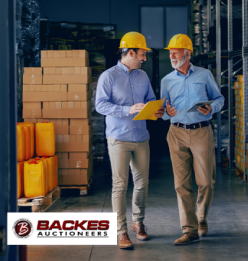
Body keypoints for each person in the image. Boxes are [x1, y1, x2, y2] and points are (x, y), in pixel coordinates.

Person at [96, 32, 165, 249]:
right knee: (120, 185)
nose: (144, 58)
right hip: (119, 137)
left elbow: (151, 101)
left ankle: (138, 223)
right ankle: (121, 231)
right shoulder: (108, 76)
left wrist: (157, 111)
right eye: (142, 54)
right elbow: (100, 105)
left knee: (142, 183)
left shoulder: (142, 76)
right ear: (131, 52)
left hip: (141, 137)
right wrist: (127, 109)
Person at [161, 34, 224, 245]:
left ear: (188, 53)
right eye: (170, 52)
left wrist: (211, 108)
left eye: (176, 51)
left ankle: (201, 217)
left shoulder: (205, 75)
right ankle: (189, 229)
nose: (172, 55)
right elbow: (163, 112)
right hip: (176, 132)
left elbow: (219, 98)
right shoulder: (166, 80)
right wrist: (166, 112)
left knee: (206, 181)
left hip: (201, 131)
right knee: (181, 184)